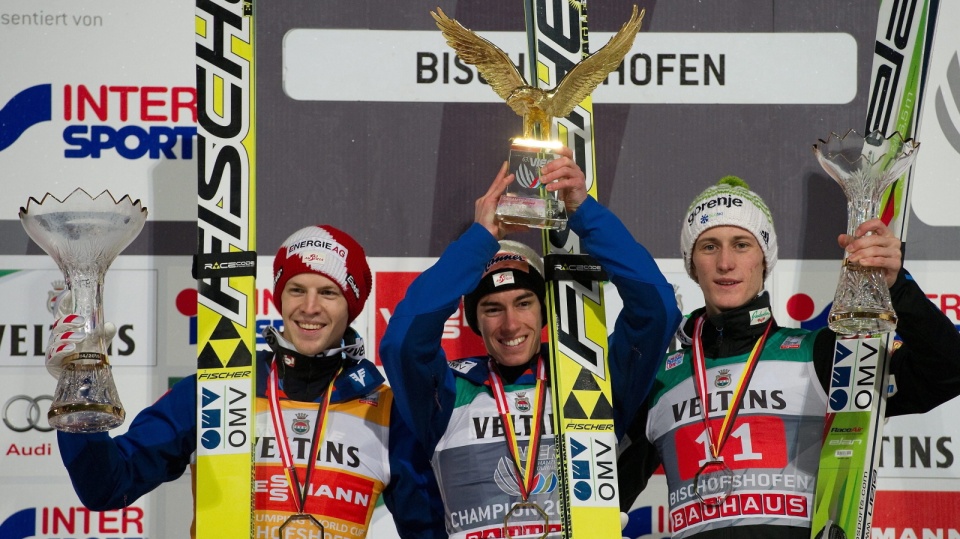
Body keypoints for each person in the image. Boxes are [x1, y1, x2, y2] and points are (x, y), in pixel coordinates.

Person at [48, 225, 446, 539]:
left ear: (352, 306)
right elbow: (106, 486)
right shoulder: (218, 390)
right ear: (277, 298)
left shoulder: (387, 410)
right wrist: (78, 382)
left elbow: (429, 532)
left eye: (328, 292)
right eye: (296, 290)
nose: (310, 308)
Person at [617, 176, 960, 539]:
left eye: (742, 244)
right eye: (709, 247)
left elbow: (947, 370)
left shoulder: (821, 355)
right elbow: (600, 495)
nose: (725, 263)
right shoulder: (661, 377)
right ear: (691, 264)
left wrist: (896, 287)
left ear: (764, 261)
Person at [379, 146, 682, 539]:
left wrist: (584, 211)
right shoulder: (450, 391)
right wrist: (480, 241)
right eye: (491, 308)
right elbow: (402, 343)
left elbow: (656, 310)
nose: (510, 324)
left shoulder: (586, 374)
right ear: (472, 320)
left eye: (524, 303)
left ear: (544, 311)